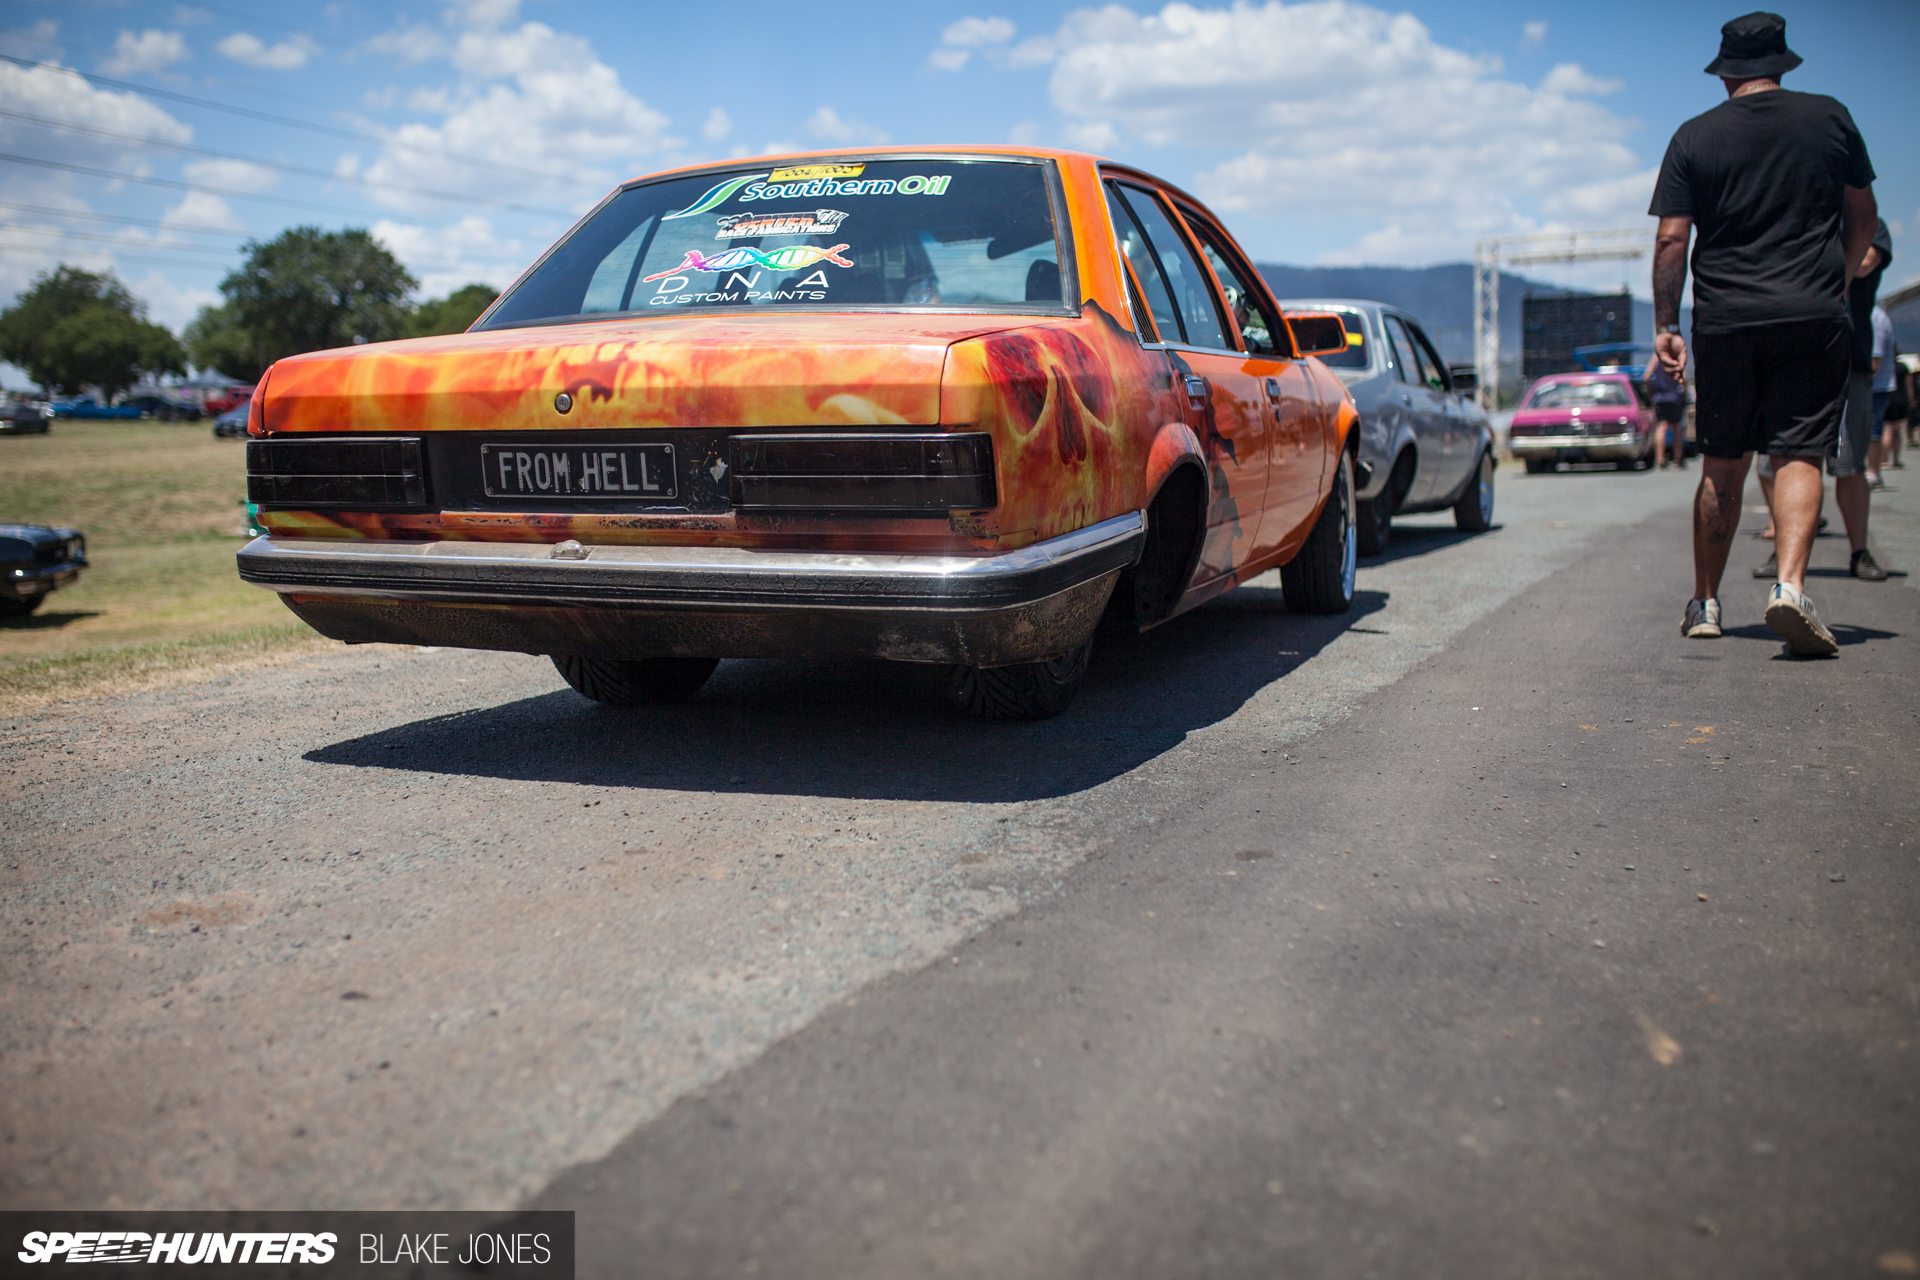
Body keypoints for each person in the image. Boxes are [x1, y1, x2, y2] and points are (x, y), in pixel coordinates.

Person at [1652, 11, 1877, 656]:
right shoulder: (1830, 118)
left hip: (1724, 318)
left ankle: (1705, 603)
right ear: (1781, 66)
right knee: (1799, 450)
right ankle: (1789, 586)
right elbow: (1863, 216)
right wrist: (1836, 277)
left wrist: (1668, 325)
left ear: (1725, 74)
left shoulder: (1693, 136)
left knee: (1724, 459)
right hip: (1811, 311)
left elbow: (1672, 239)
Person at [1865, 302, 1896, 485]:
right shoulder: (1875, 315)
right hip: (1875, 386)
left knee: (1873, 431)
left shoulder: (1874, 317)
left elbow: (1874, 360)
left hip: (1875, 387)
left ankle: (1873, 473)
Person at [1643, 351, 1688, 468]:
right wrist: (1684, 393)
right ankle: (1678, 458)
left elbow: (1646, 377)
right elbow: (1685, 378)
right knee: (1677, 427)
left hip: (1659, 398)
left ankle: (1660, 458)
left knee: (1661, 426)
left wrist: (1651, 393)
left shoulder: (1656, 358)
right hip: (1674, 397)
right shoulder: (1676, 358)